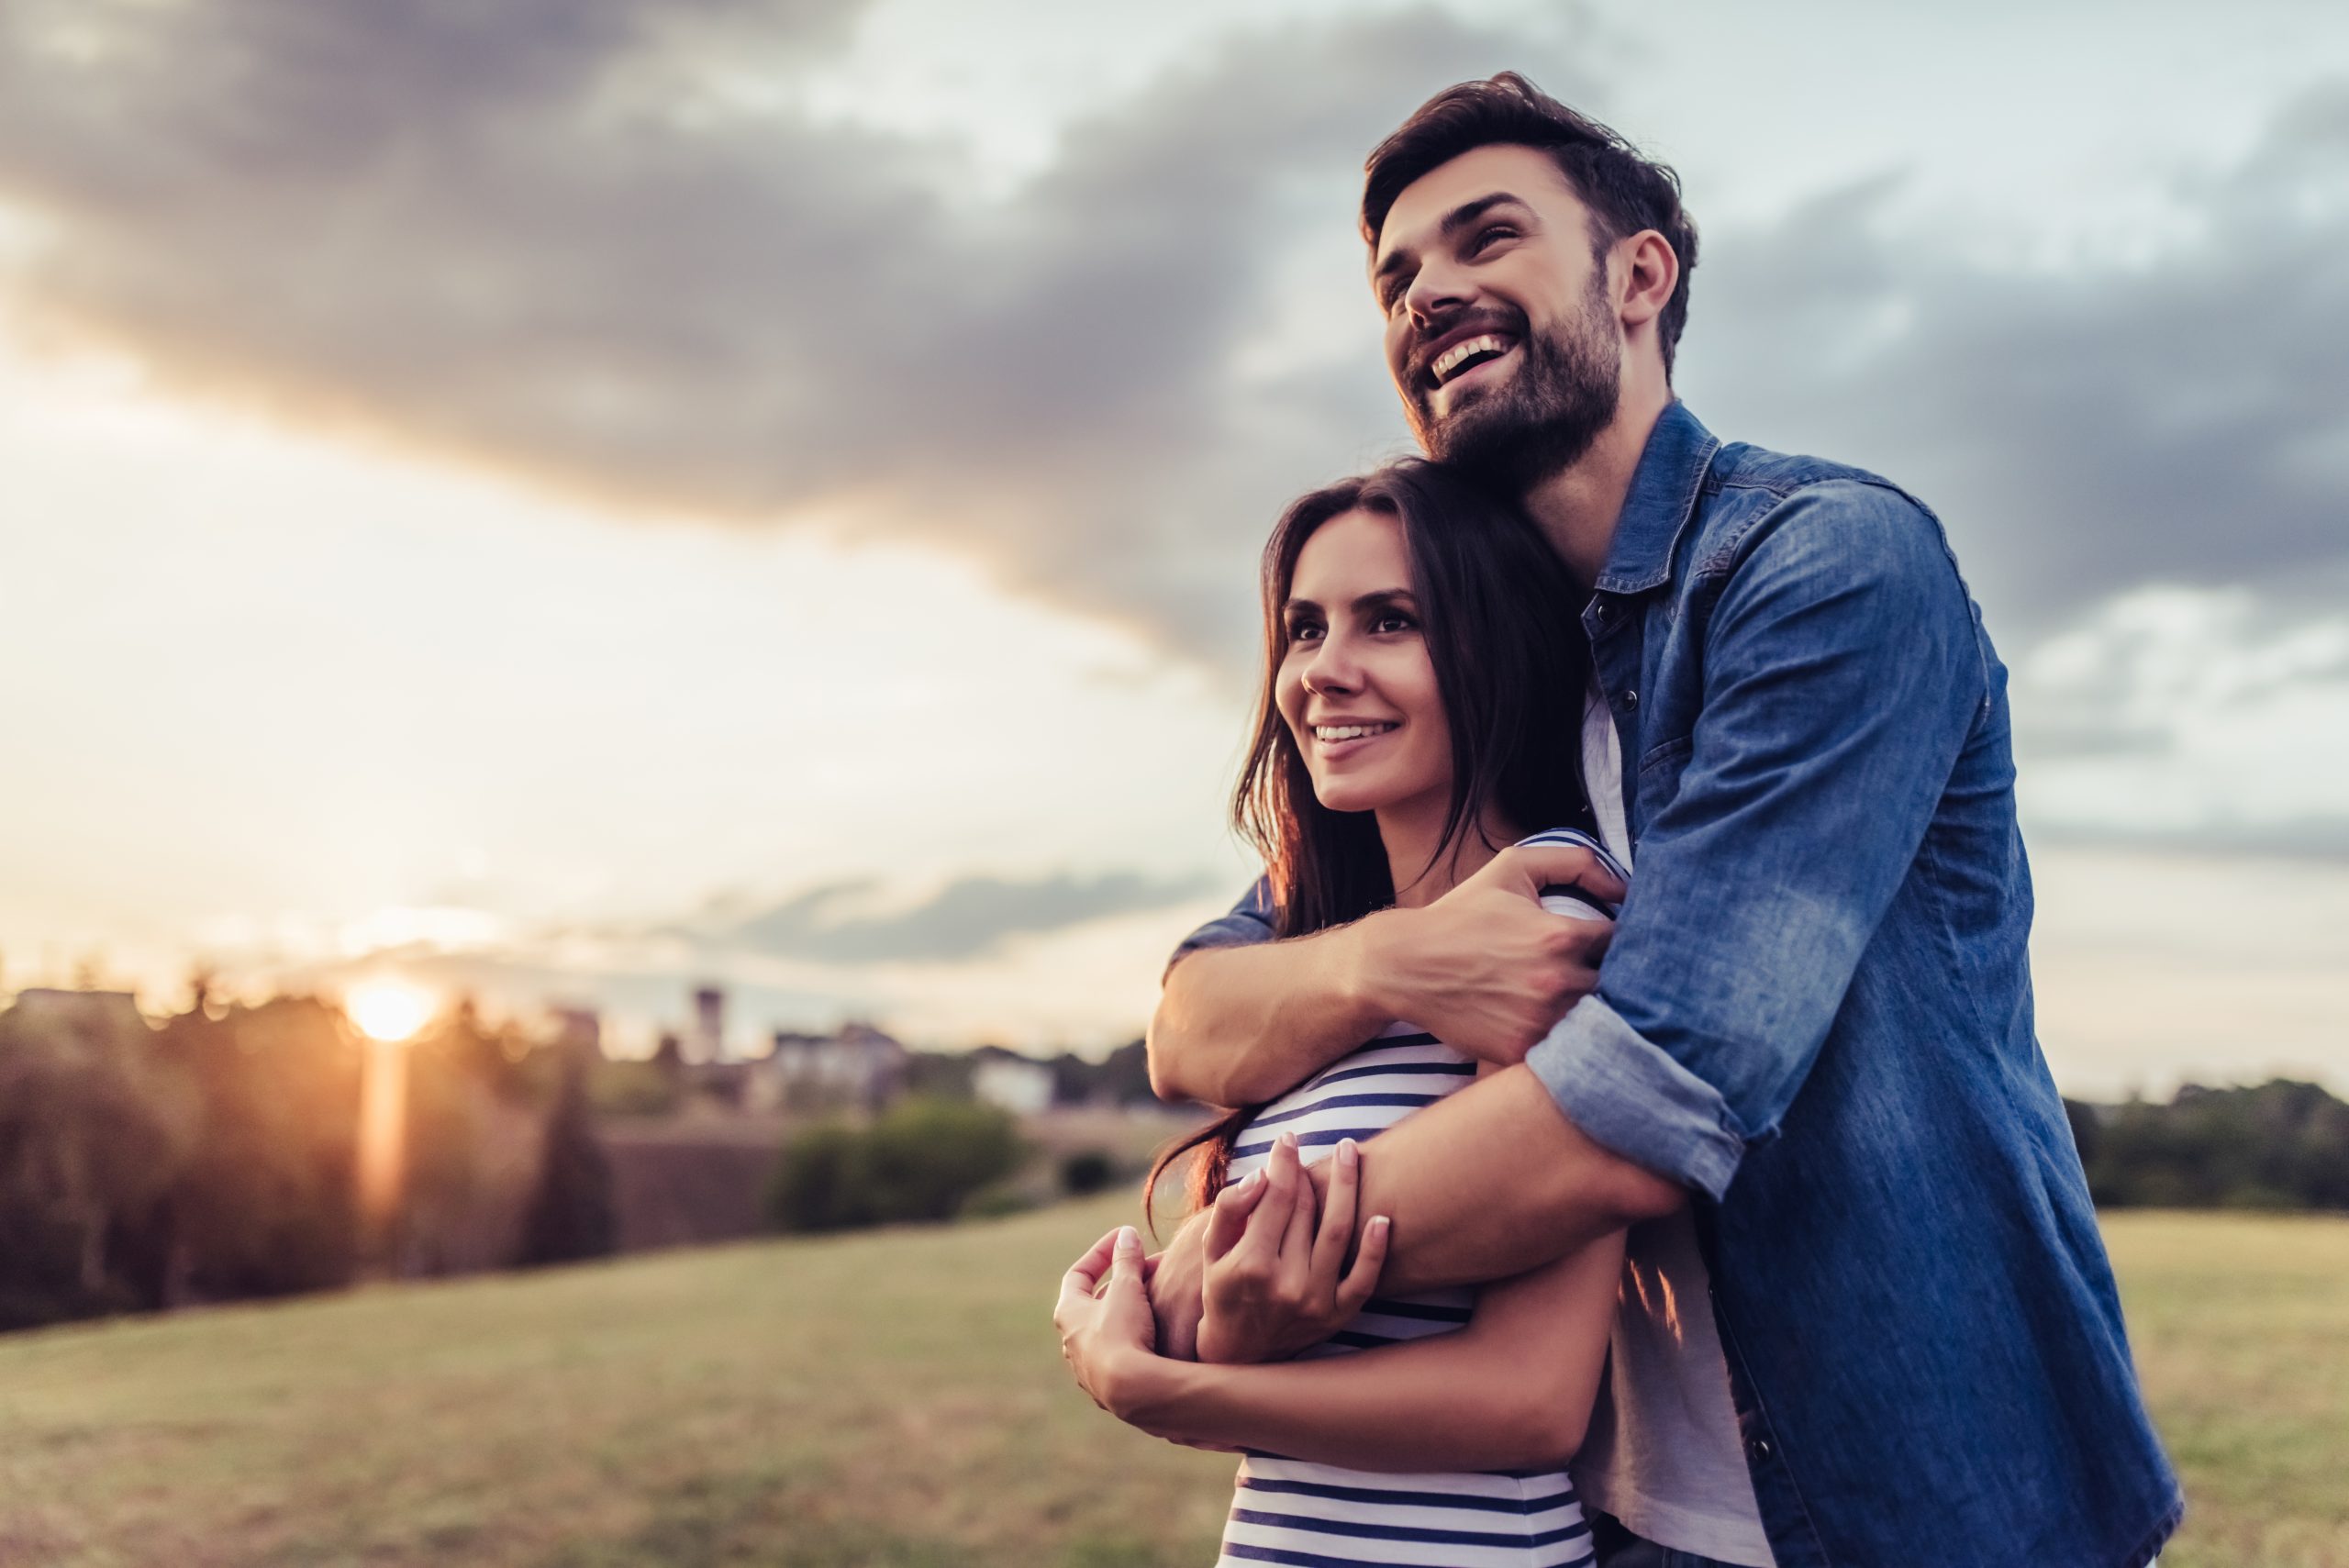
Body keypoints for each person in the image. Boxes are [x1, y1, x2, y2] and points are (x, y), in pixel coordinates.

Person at [1133, 74, 2181, 1568]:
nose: (1431, 293)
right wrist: (1392, 966)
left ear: (1640, 277)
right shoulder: (1489, 669)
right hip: (1626, 1519)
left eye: (1484, 239)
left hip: (1935, 1504)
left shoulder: (1822, 566)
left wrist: (1208, 1289)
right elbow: (1195, 1011)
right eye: (1397, 278)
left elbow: (1645, 1097)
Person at [1056, 461, 1638, 1567]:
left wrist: (1179, 1389)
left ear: (1497, 648)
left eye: (1390, 622)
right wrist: (1224, 1334)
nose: (1325, 670)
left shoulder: (1547, 924)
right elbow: (1178, 1040)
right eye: (1304, 627)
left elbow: (1531, 1398)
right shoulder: (1315, 949)